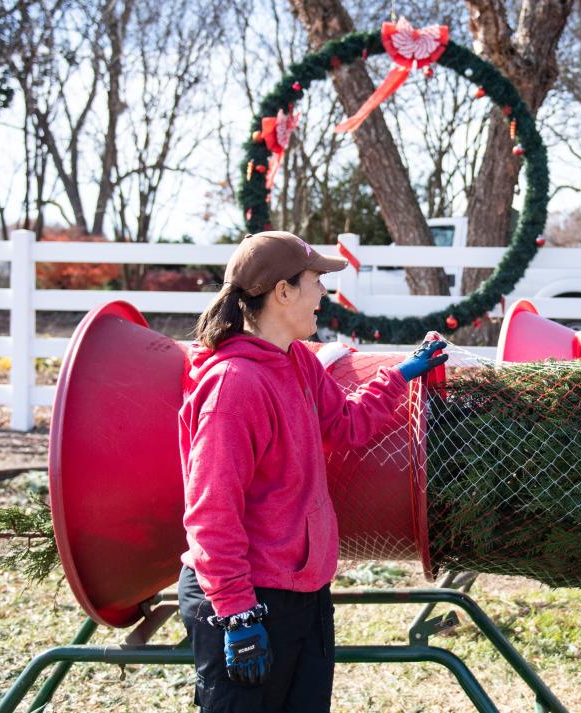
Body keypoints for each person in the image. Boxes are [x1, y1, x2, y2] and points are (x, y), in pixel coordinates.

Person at [176, 230, 447, 713]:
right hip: (246, 601)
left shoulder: (297, 360)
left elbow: (345, 424)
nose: (324, 293)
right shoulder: (233, 388)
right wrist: (238, 614)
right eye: (316, 280)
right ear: (283, 291)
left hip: (302, 590)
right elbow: (211, 513)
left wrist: (401, 374)